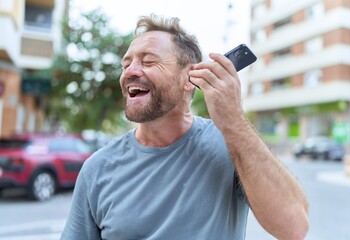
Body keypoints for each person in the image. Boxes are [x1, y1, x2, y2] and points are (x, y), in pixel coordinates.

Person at [61, 14, 309, 240]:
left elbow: (294, 227)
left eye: (148, 61)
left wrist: (233, 120)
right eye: (126, 65)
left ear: (190, 79)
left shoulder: (230, 144)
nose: (130, 72)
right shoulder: (97, 168)